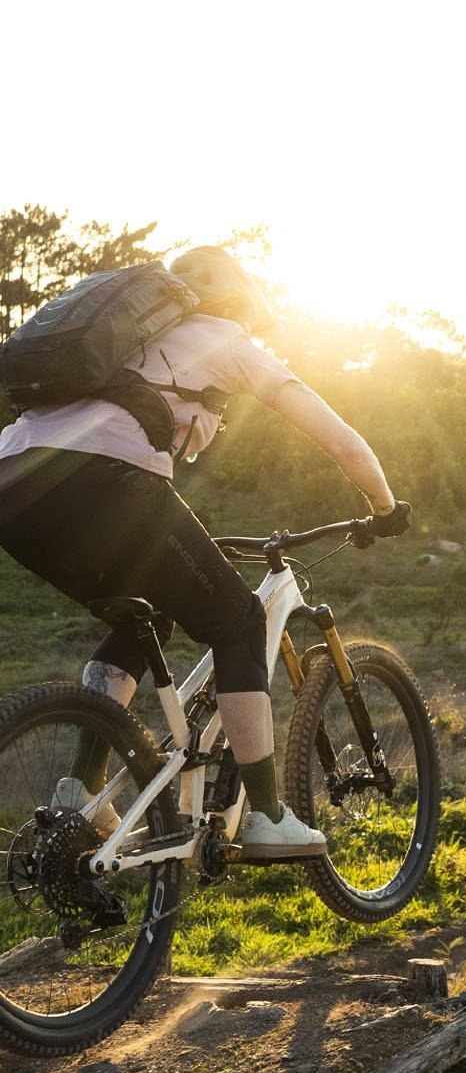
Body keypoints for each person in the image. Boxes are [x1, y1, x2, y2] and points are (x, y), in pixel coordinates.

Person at [0, 246, 410, 859]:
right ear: (239, 304)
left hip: (13, 487)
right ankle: (268, 816)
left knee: (142, 612)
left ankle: (77, 797)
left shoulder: (120, 346)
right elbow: (340, 439)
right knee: (240, 620)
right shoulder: (226, 339)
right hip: (106, 482)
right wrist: (384, 503)